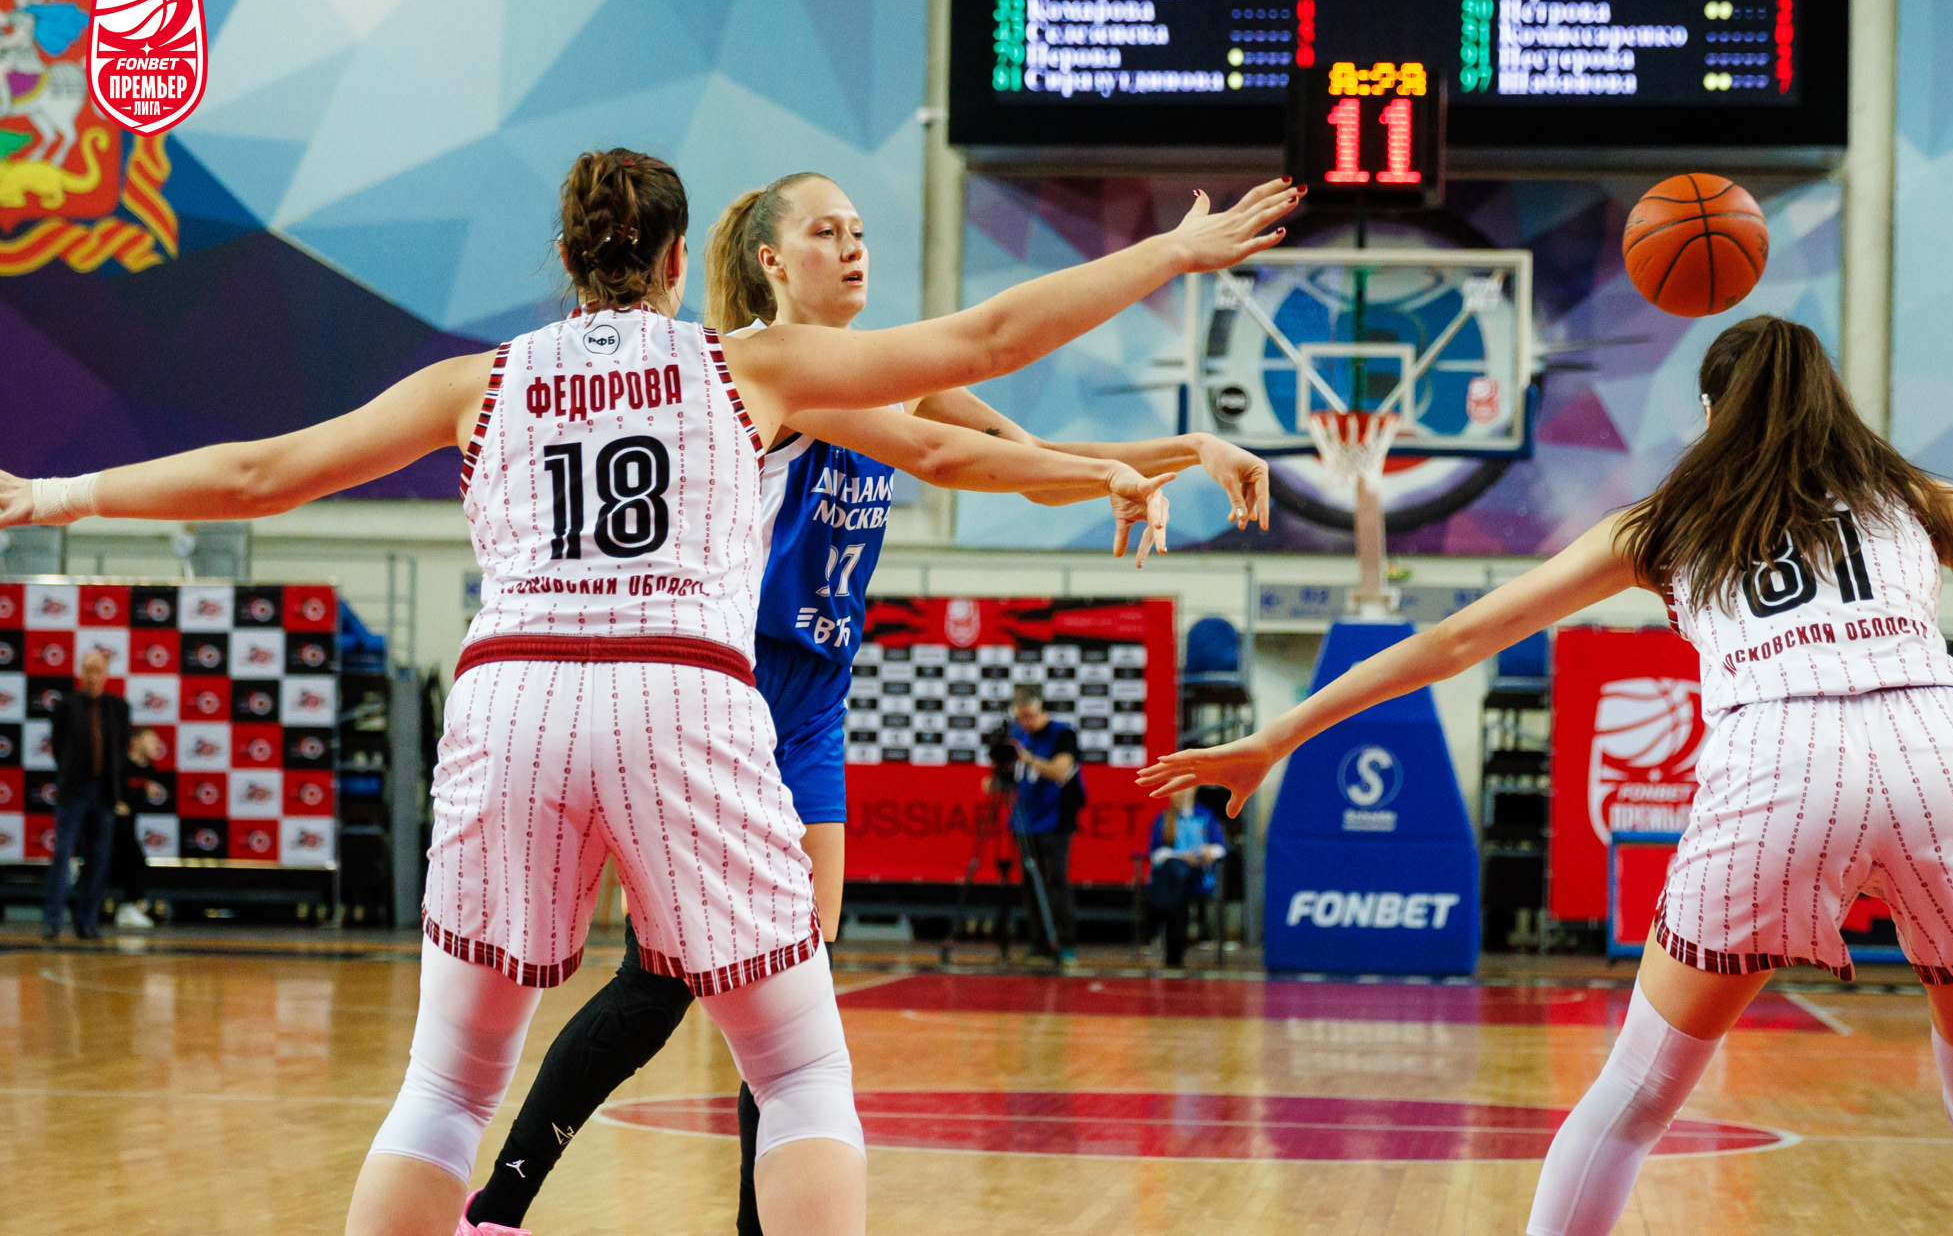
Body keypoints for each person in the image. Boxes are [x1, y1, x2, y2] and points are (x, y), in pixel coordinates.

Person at [0, 147, 1299, 1236]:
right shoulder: (750, 367)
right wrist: (1169, 253)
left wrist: (56, 495)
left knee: (444, 1088)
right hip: (683, 694)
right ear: (683, 260)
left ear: (569, 257)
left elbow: (259, 475)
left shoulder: (478, 382)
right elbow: (989, 339)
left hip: (511, 697)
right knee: (798, 1068)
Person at [465, 170, 1280, 1236]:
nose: (854, 246)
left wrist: (1190, 450)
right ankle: (499, 1205)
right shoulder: (758, 373)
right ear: (772, 259)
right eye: (827, 231)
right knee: (661, 985)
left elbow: (1031, 463)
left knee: (791, 984)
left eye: (859, 229)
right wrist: (1115, 452)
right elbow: (961, 452)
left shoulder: (896, 381)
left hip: (814, 703)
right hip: (729, 690)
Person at [1140, 315, 1953, 1232]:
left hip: (1783, 762)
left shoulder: (1664, 521)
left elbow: (1454, 640)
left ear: (1713, 412)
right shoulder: (1920, 497)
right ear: (1833, 400)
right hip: (1950, 752)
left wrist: (1279, 736)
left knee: (1635, 1097)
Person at [43, 648, 128, 940]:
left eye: (98, 670)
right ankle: (53, 920)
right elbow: (58, 746)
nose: (92, 676)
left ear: (106, 674)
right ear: (81, 672)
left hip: (104, 791)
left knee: (99, 857)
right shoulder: (66, 705)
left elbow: (121, 747)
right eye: (88, 670)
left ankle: (87, 920)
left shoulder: (118, 707)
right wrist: (70, 774)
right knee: (62, 853)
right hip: (74, 790)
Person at [1001, 683, 1084, 965]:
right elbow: (1009, 771)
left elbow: (1060, 770)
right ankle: (1040, 942)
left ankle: (1065, 942)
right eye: (1020, 717)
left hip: (1056, 818)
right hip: (1025, 819)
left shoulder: (1062, 734)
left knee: (1055, 880)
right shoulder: (1017, 734)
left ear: (1041, 709)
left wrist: (1028, 758)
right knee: (1029, 883)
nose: (1025, 723)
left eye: (1030, 716)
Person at [1146, 784, 1227, 969]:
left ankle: (1157, 914)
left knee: (1175, 876)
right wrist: (1182, 856)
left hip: (1197, 876)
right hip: (1173, 878)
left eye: (1185, 786)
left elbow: (1221, 848)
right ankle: (1175, 951)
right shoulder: (1164, 818)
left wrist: (1208, 851)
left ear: (1194, 790)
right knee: (1175, 874)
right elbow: (1155, 854)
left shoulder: (1206, 816)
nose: (1181, 791)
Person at [112, 727, 170, 928]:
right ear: (136, 742)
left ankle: (134, 905)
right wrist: (115, 802)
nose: (156, 744)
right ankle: (131, 906)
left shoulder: (149, 769)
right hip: (113, 823)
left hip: (129, 824)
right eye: (150, 740)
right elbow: (108, 787)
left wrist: (149, 790)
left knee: (135, 862)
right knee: (135, 860)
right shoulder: (121, 764)